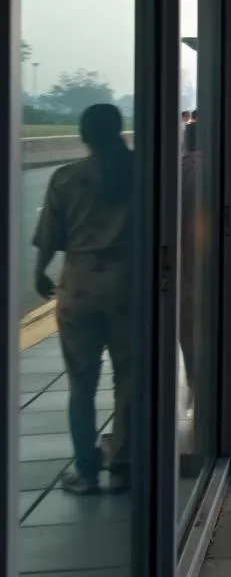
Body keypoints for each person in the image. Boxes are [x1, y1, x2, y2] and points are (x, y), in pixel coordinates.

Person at [33, 104, 134, 494]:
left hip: (79, 290)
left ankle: (87, 472)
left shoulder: (65, 178)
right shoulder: (138, 171)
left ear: (84, 136)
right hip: (128, 288)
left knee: (81, 384)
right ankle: (123, 464)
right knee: (128, 379)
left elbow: (48, 240)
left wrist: (39, 272)